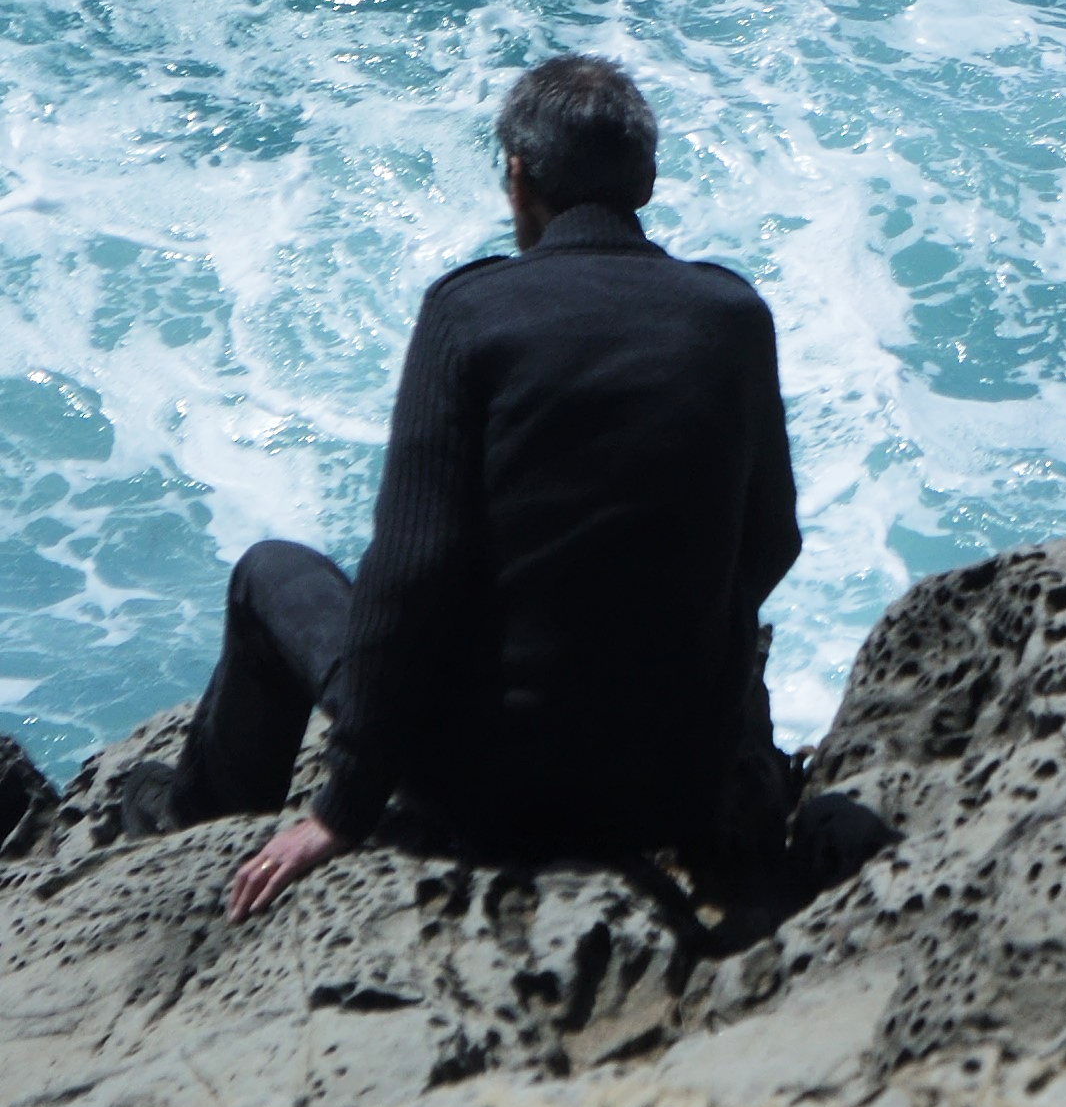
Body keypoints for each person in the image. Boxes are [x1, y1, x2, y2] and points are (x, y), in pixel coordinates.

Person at [127, 55, 865, 920]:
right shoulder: (732, 316)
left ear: (519, 178)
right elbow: (772, 540)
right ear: (647, 180)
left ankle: (193, 818)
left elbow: (410, 579)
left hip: (491, 798)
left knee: (270, 574)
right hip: (675, 789)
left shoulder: (471, 315)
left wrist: (341, 810)